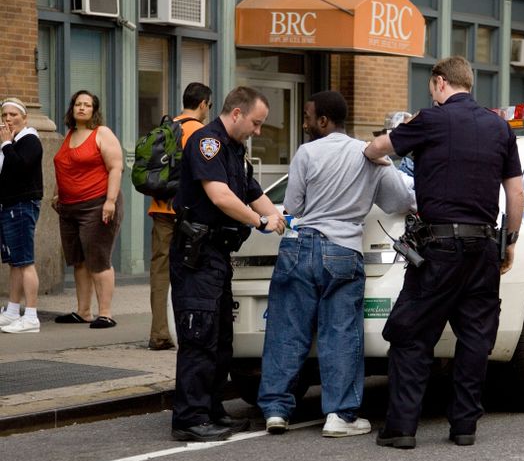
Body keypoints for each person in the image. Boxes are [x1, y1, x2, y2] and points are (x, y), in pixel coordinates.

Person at [364, 56, 524, 449]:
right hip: (484, 248)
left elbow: (374, 150)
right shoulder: (499, 127)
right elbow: (516, 192)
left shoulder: (428, 119)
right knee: (475, 337)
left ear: (439, 83)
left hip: (437, 249)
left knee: (411, 335)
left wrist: (383, 150)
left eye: (431, 87)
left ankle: (401, 428)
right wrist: (510, 241)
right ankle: (464, 427)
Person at [257, 91, 416, 437]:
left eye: (308, 115)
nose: (304, 121)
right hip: (343, 250)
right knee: (340, 333)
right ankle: (340, 416)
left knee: (286, 329)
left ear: (324, 121)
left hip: (298, 249)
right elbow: (399, 201)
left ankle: (275, 410)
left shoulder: (306, 152)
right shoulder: (370, 153)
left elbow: (294, 205)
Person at [170, 86, 286, 442]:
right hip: (198, 254)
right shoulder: (208, 143)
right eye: (256, 123)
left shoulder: (234, 149)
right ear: (236, 113)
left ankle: (211, 410)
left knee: (220, 340)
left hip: (217, 255)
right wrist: (257, 221)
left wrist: (281, 218)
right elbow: (220, 196)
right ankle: (189, 418)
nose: (258, 131)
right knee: (199, 336)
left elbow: (252, 192)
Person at [147, 82, 212, 351]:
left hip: (161, 209)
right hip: (189, 214)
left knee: (160, 272)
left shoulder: (165, 127)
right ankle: (189, 331)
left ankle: (159, 333)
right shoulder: (201, 133)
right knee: (191, 271)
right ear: (204, 104)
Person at [52, 90, 124, 329]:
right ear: (72, 108)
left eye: (87, 105)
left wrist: (110, 201)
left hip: (97, 204)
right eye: (78, 104)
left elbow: (116, 167)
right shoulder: (69, 135)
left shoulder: (101, 133)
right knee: (79, 261)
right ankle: (83, 312)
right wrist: (57, 194)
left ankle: (106, 313)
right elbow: (66, 167)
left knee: (98, 259)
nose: (82, 108)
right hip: (69, 208)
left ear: (94, 110)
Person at [0, 98, 43, 333]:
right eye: (4, 115)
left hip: (22, 205)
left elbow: (20, 168)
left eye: (13, 115)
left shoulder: (30, 140)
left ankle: (32, 316)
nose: (8, 119)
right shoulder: (12, 141)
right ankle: (13, 310)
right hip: (9, 206)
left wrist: (6, 145)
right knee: (16, 263)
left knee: (25, 261)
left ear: (24, 118)